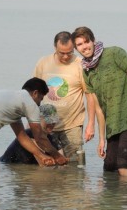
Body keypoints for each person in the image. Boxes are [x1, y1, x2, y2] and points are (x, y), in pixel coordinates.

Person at [71, 26, 127, 178]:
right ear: (76, 49)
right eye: (80, 44)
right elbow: (99, 109)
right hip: (114, 126)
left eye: (86, 42)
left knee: (124, 167)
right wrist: (102, 139)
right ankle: (113, 202)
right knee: (109, 169)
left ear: (93, 41)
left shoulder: (114, 53)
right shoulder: (87, 71)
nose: (84, 47)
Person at [0, 77, 68, 174]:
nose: (39, 104)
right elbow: (39, 138)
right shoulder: (29, 103)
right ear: (35, 93)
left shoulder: (14, 102)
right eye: (40, 99)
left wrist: (41, 155)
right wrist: (57, 156)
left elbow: (22, 137)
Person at [33, 31, 95, 160]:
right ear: (55, 47)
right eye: (62, 53)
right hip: (47, 124)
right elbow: (33, 93)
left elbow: (90, 96)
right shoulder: (43, 63)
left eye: (70, 52)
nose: (66, 57)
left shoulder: (81, 65)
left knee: (75, 167)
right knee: (48, 164)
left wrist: (91, 124)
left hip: (72, 125)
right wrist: (31, 120)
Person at [0, 104, 64, 164]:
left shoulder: (52, 138)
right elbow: (42, 164)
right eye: (49, 121)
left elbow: (62, 159)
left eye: (54, 121)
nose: (52, 124)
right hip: (7, 165)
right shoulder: (28, 135)